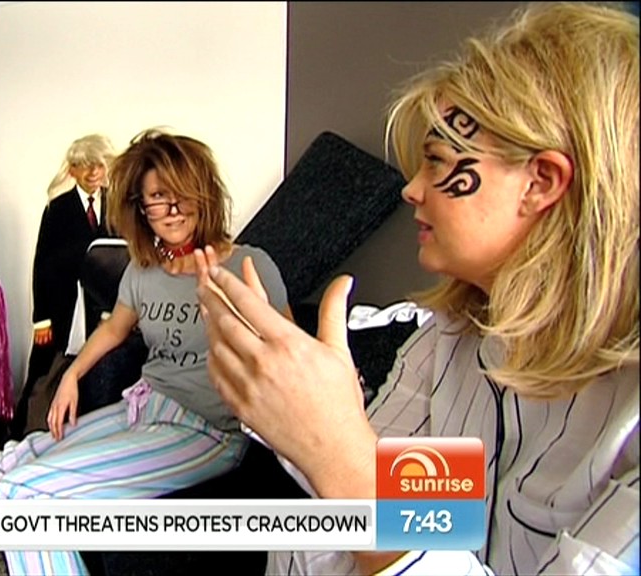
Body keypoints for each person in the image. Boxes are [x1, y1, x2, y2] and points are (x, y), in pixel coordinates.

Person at [194, 3, 639, 575]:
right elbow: (397, 525)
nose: (410, 189)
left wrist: (341, 452)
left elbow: (364, 493)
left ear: (541, 182)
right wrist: (303, 413)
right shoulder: (447, 344)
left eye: (437, 162)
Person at [0, 128, 292, 575]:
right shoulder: (145, 271)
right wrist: (71, 377)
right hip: (145, 406)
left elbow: (293, 354)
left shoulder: (248, 264)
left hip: (207, 429)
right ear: (141, 207)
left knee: (26, 493)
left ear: (204, 194)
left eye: (182, 194)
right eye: (158, 197)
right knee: (29, 450)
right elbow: (114, 329)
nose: (172, 210)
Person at [14, 134, 119, 436]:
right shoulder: (57, 209)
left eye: (98, 165)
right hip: (63, 307)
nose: (93, 173)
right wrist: (41, 319)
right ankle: (29, 430)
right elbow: (42, 265)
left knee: (99, 370)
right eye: (85, 166)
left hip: (102, 308)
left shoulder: (117, 207)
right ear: (72, 170)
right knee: (47, 370)